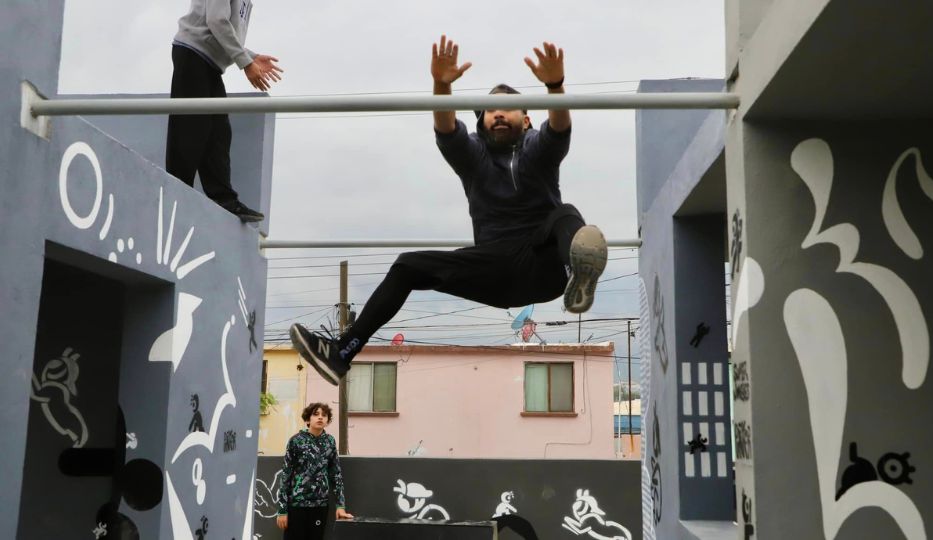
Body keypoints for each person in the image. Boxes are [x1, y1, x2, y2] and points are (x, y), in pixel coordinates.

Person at [289, 35, 607, 385]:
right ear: (480, 122)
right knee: (407, 266)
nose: (499, 113)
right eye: (489, 110)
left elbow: (559, 128)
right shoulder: (474, 156)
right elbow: (447, 130)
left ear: (528, 120)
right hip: (494, 269)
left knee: (566, 214)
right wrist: (442, 85)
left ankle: (580, 271)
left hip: (546, 267)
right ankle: (343, 352)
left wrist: (554, 86)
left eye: (510, 109)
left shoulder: (537, 150)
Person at [166, 0, 283, 223]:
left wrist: (250, 56)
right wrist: (245, 63)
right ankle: (176, 192)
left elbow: (223, 31)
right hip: (193, 52)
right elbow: (216, 21)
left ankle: (224, 199)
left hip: (209, 61)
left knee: (219, 132)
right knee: (191, 127)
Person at [276, 402, 353, 539]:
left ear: (327, 421)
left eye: (324, 415)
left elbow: (336, 474)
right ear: (307, 419)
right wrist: (282, 511)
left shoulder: (330, 442)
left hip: (320, 505)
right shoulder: (296, 441)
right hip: (297, 505)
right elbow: (286, 475)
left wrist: (340, 506)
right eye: (316, 414)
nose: (320, 418)